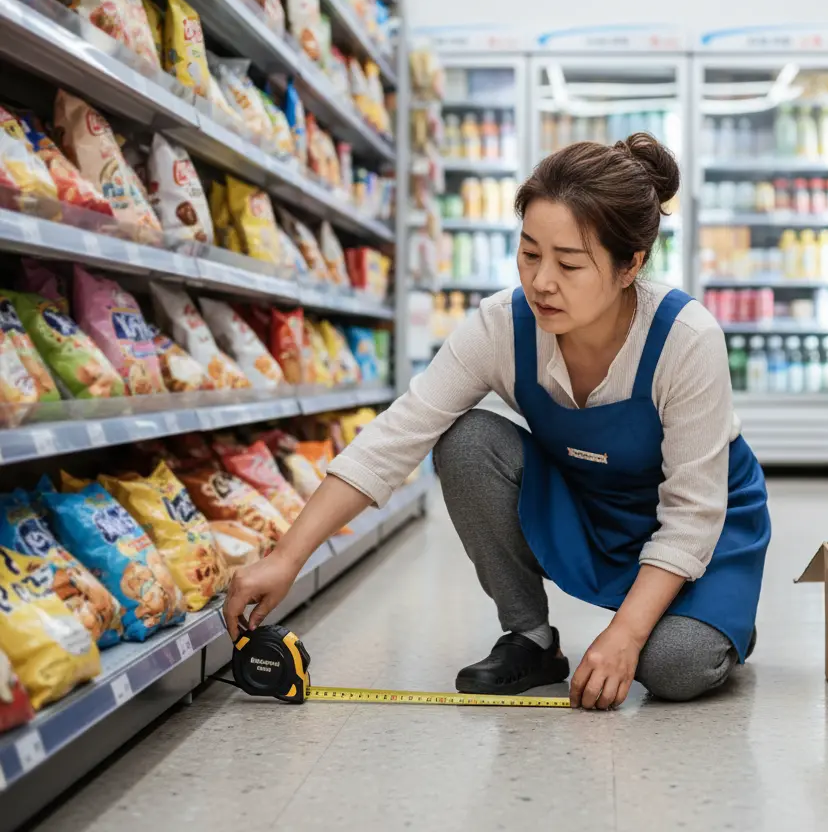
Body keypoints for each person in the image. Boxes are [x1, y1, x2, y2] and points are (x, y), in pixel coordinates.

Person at [224, 134, 771, 710]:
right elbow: (397, 434)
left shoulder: (686, 341)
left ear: (630, 265)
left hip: (704, 526)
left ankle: (717, 623)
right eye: (530, 253)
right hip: (588, 508)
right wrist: (287, 558)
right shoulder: (502, 326)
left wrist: (625, 636)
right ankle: (530, 639)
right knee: (466, 439)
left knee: (673, 666)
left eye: (569, 263)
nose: (541, 281)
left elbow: (692, 514)